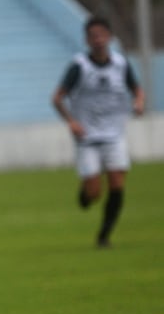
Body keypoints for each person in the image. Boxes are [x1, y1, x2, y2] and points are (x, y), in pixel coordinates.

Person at [51, 15, 145, 248]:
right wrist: (71, 122)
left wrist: (139, 103)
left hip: (114, 134)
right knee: (93, 193)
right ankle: (85, 194)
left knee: (116, 183)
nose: (98, 39)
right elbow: (57, 97)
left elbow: (137, 90)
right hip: (87, 137)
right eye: (93, 36)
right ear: (86, 40)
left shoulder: (121, 64)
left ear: (110, 37)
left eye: (102, 34)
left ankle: (104, 236)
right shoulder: (79, 66)